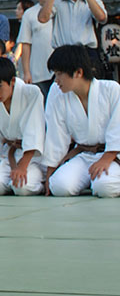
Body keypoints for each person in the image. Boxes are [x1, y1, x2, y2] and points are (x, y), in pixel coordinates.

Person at [43, 46, 120, 197]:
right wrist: (50, 173)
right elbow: (55, 135)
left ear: (78, 72)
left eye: (59, 74)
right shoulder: (58, 94)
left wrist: (107, 158)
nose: (56, 80)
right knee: (59, 186)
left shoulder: (111, 89)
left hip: (113, 154)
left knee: (104, 186)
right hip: (84, 154)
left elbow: (117, 127)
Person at [0, 58, 45, 196]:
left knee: (22, 188)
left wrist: (22, 167)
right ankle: (10, 181)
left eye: (0, 86)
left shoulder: (31, 93)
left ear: (12, 81)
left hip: (32, 157)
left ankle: (40, 184)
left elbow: (34, 132)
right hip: (9, 154)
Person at [37, 0, 108, 78]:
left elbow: (101, 18)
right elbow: (42, 18)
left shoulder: (94, 2)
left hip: (86, 52)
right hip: (63, 53)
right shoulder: (57, 2)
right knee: (64, 90)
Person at [17, 0, 56, 99]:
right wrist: (27, 72)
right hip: (38, 71)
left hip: (61, 69)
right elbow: (26, 44)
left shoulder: (60, 7)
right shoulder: (29, 14)